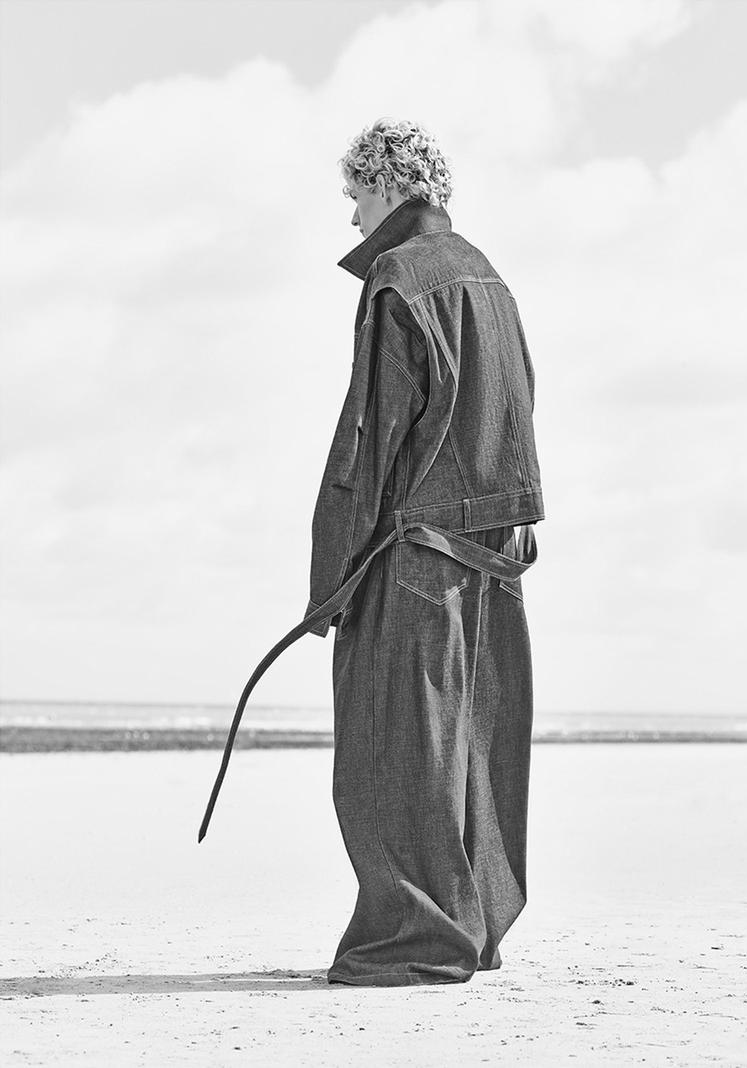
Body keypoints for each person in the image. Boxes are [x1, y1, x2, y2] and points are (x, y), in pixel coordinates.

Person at [303, 116, 545, 987]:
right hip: (494, 551)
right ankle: (473, 931)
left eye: (356, 196)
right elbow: (519, 412)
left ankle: (415, 941)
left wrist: (330, 582)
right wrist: (516, 520)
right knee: (472, 747)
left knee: (394, 749)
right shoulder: (489, 274)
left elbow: (368, 442)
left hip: (415, 552)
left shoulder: (399, 276)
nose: (352, 217)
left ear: (388, 184)